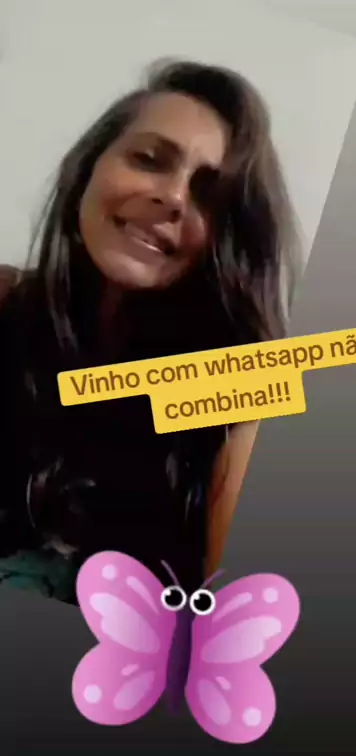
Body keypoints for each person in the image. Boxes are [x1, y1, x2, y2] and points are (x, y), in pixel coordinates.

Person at [0, 58, 300, 604]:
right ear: (85, 172)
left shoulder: (239, 406)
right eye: (148, 159)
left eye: (208, 192)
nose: (174, 197)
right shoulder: (6, 305)